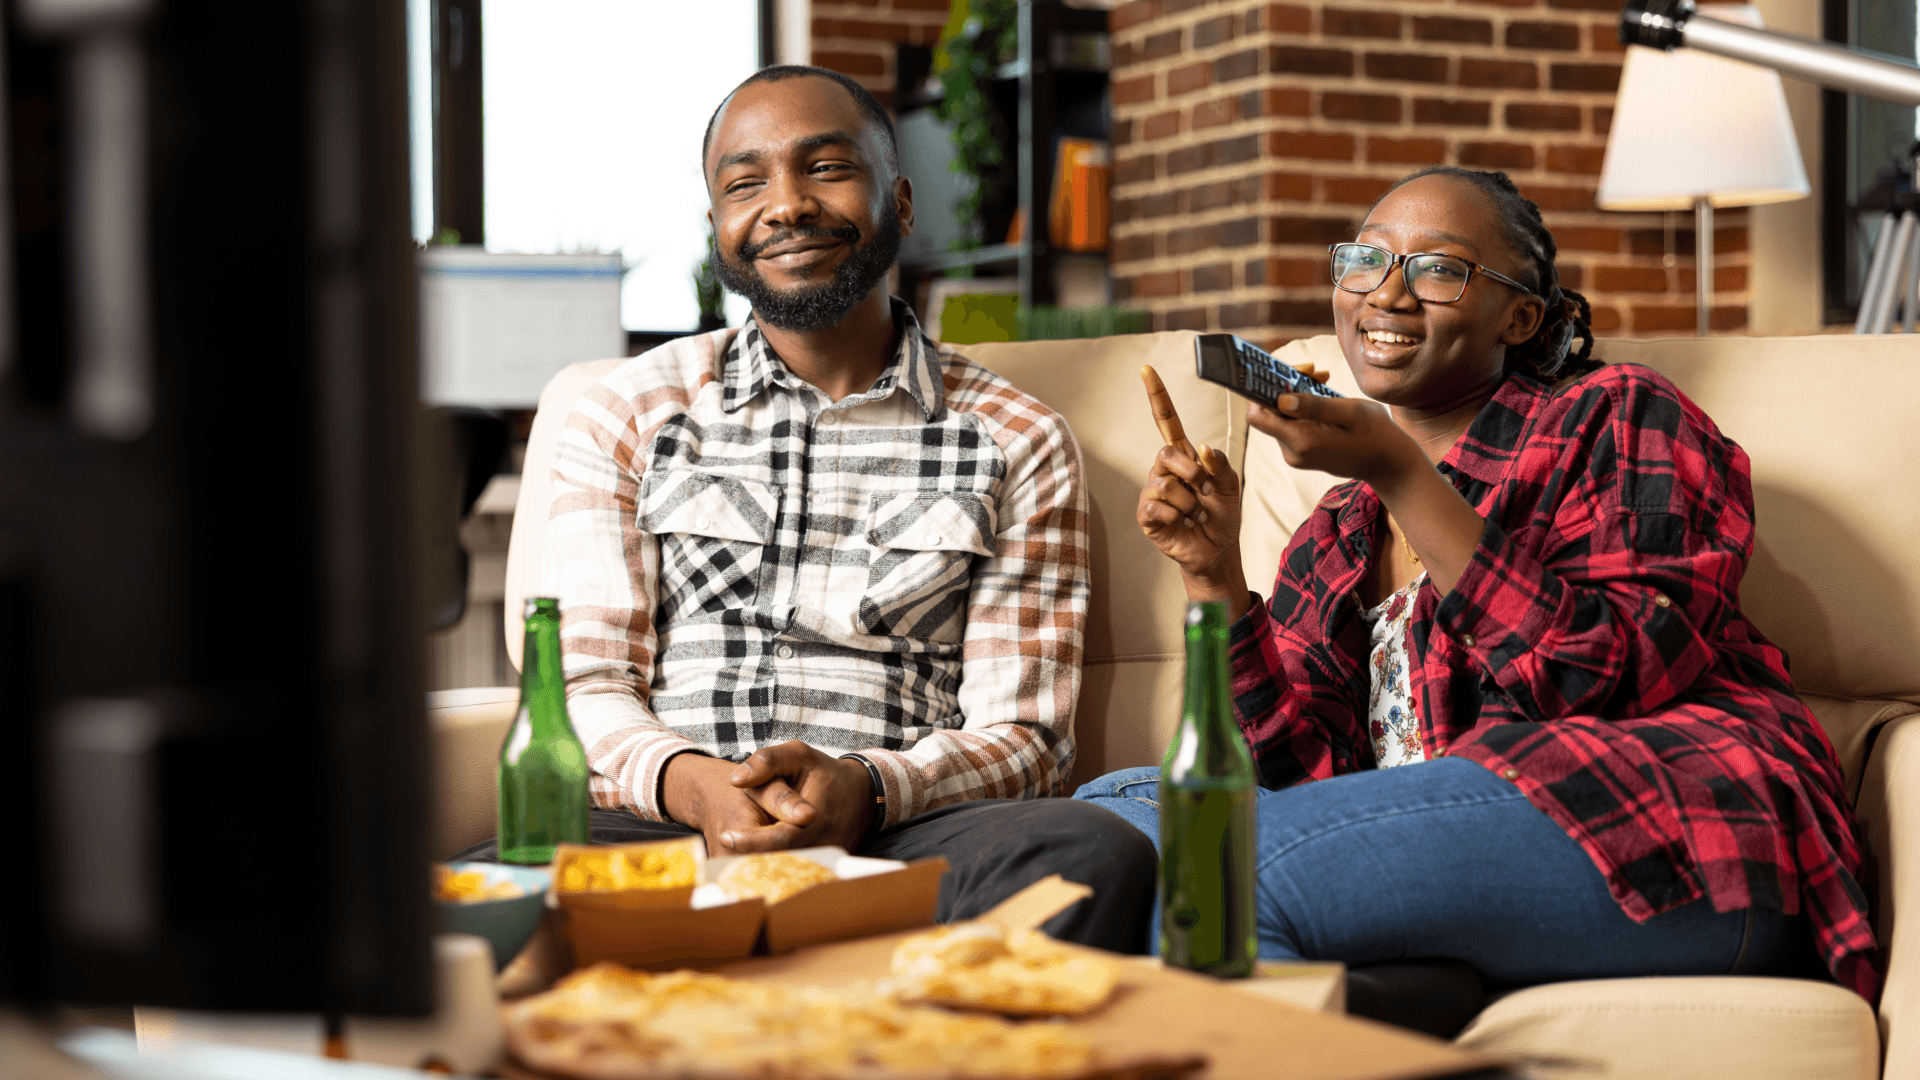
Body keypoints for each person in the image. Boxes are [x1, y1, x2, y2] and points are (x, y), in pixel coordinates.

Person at [1075, 166, 1879, 998]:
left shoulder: (1615, 415)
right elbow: (1293, 776)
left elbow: (1600, 680)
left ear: (1520, 316)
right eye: (1366, 259)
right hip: (1455, 849)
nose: (1387, 293)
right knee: (1106, 823)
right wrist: (1212, 573)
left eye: (1439, 269)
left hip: (1674, 832)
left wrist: (1400, 470)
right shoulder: (1337, 534)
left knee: (1227, 872)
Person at [457, 66, 1154, 953]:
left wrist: (869, 788)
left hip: (903, 837)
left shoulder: (1018, 436)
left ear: (901, 201)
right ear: (718, 226)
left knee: (1089, 853)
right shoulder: (628, 412)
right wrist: (699, 786)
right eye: (745, 184)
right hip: (660, 828)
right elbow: (586, 687)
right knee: (465, 902)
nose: (786, 205)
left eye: (826, 168)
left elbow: (1026, 737)